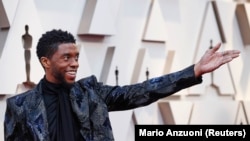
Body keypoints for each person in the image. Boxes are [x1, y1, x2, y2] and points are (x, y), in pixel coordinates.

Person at [4, 29, 240, 141]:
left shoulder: (91, 92)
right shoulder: (21, 106)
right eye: (67, 58)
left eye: (76, 56)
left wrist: (193, 71)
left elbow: (142, 91)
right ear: (46, 61)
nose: (75, 63)